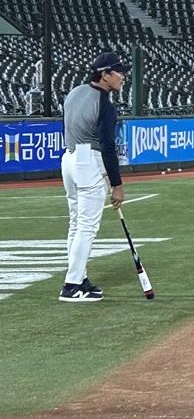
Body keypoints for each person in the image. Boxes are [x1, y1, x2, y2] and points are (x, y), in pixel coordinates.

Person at [59, 51, 129, 302]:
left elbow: (65, 125)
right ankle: (72, 285)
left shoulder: (75, 92)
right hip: (89, 160)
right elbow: (108, 147)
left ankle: (80, 277)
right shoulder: (105, 106)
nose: (122, 76)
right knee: (86, 227)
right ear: (105, 74)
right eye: (118, 72)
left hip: (68, 158)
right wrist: (117, 185)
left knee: (76, 223)